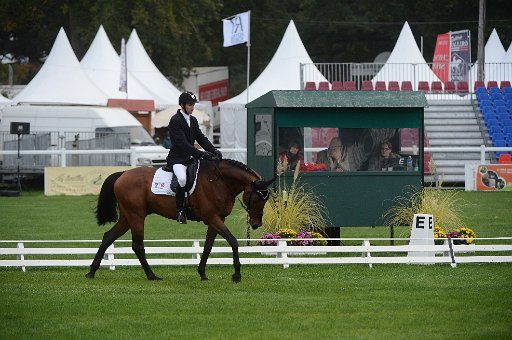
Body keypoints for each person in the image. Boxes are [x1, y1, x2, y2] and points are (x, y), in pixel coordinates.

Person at [166, 91, 221, 224]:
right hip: (177, 159)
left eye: (193, 104)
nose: (192, 107)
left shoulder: (193, 120)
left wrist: (213, 150)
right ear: (182, 105)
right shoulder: (175, 120)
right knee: (182, 178)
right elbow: (183, 144)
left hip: (190, 158)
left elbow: (201, 138)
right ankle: (180, 210)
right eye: (190, 104)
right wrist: (201, 154)